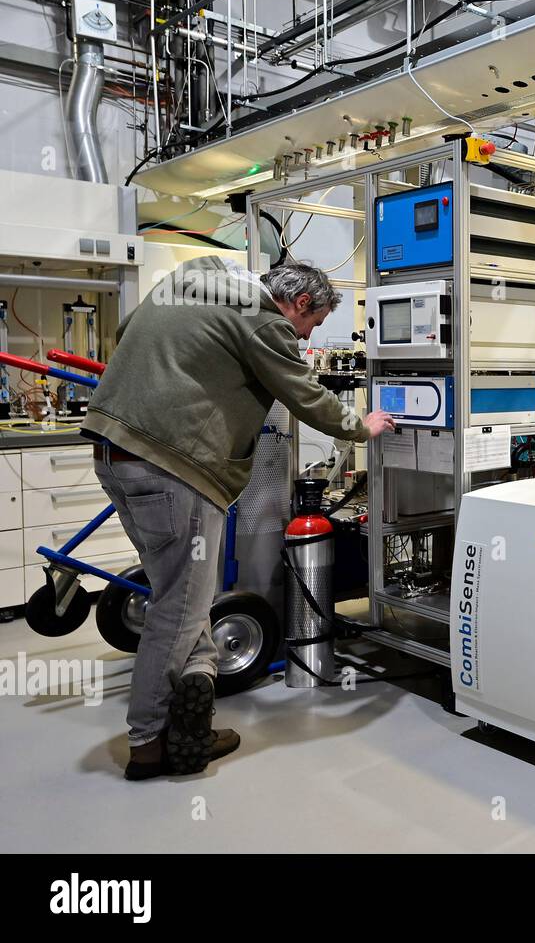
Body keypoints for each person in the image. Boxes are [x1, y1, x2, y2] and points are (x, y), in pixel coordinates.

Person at [81, 258, 395, 780]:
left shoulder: (185, 284)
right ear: (298, 304)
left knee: (180, 594)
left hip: (114, 453)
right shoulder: (265, 320)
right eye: (311, 326)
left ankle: (195, 695)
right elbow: (304, 394)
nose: (305, 335)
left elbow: (123, 330)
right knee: (179, 610)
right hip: (173, 465)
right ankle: (149, 742)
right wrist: (360, 427)